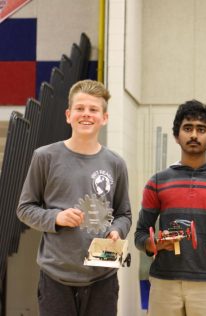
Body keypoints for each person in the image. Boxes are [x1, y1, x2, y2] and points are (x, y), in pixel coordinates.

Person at [17, 79, 132, 316]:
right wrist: (56, 217)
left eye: (93, 109)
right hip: (56, 277)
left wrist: (117, 231)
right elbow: (25, 208)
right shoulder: (44, 157)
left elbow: (124, 214)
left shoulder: (115, 163)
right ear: (68, 115)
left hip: (103, 277)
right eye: (80, 108)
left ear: (104, 117)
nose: (86, 115)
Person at [134, 100, 206, 316]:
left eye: (201, 129)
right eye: (188, 128)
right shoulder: (157, 181)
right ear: (177, 136)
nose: (194, 135)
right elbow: (140, 235)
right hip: (164, 282)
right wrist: (154, 243)